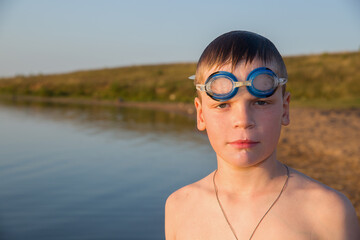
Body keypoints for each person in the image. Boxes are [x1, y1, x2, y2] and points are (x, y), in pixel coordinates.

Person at [165, 31, 360, 240]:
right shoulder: (180, 207)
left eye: (260, 103)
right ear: (201, 114)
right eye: (222, 105)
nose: (243, 120)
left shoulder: (329, 212)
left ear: (285, 109)